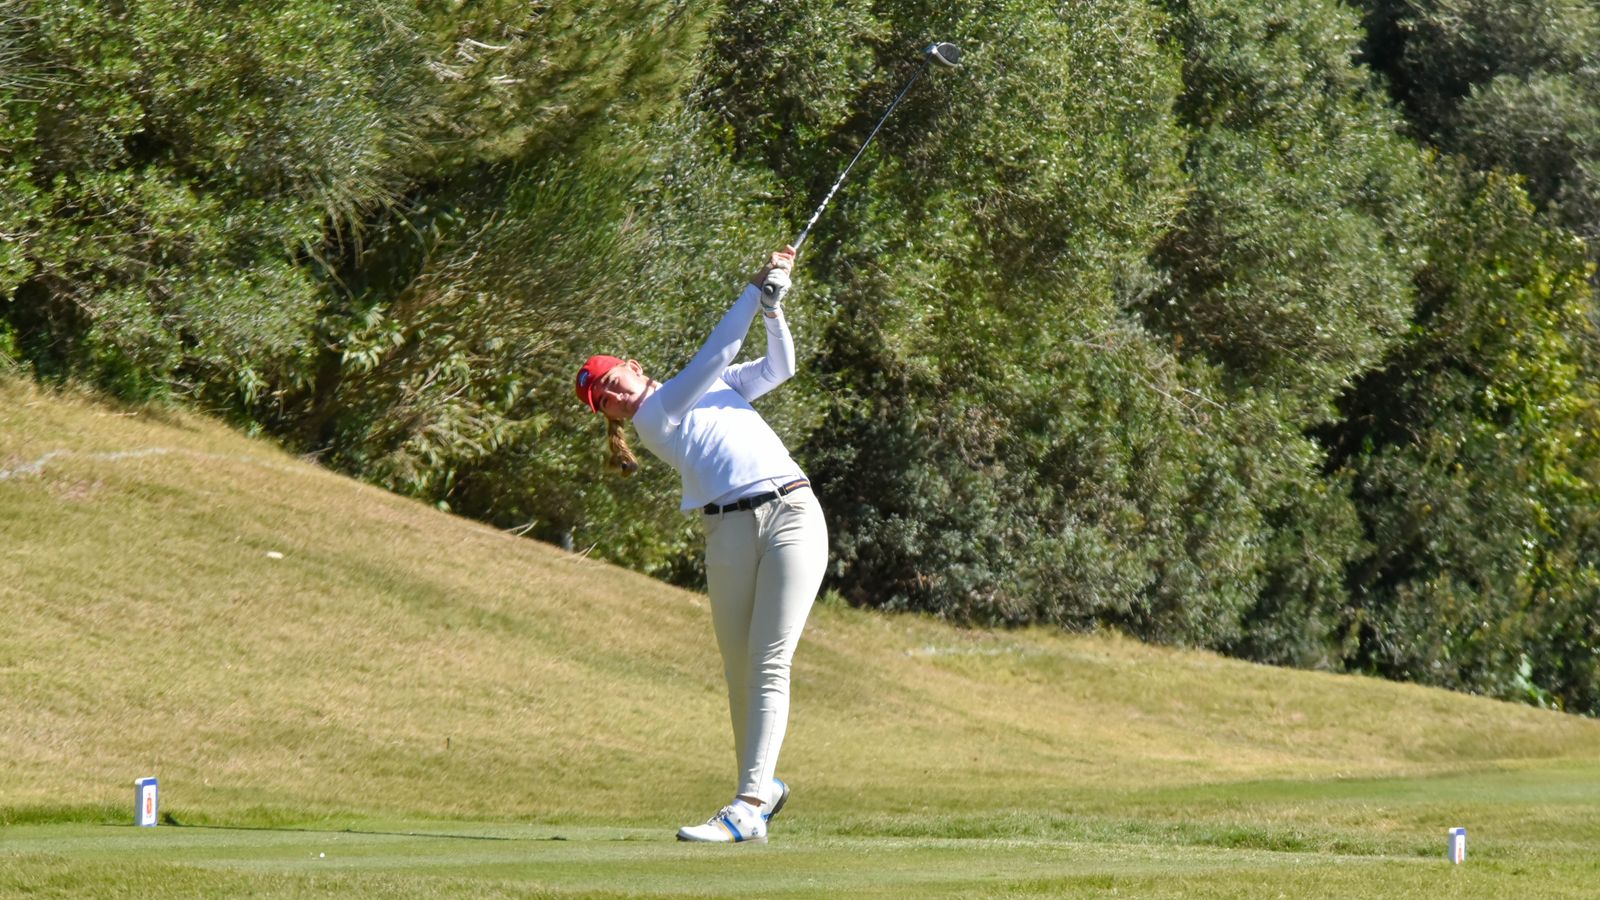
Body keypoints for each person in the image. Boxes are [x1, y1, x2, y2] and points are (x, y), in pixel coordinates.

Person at [573, 246, 828, 844]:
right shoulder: (655, 417)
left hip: (790, 512)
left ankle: (746, 804)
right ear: (609, 414)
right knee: (739, 669)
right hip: (726, 531)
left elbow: (778, 368)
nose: (614, 395)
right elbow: (717, 351)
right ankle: (762, 789)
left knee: (767, 659)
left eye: (614, 381)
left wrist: (771, 308)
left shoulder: (716, 390)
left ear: (634, 367)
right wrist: (756, 289)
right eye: (603, 400)